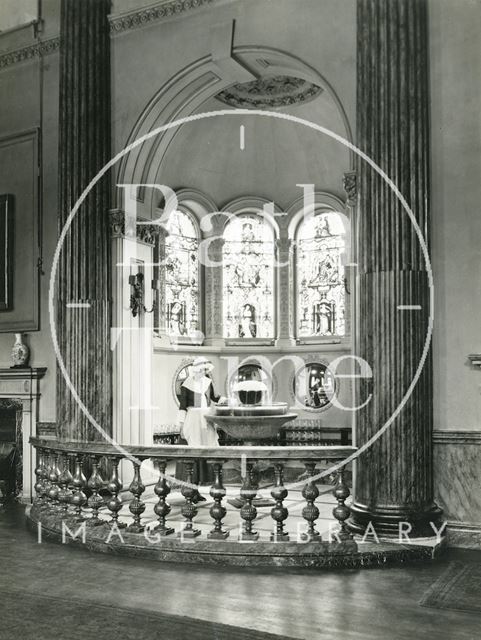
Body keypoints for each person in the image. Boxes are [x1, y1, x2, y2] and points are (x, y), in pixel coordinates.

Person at [176, 356, 225, 494]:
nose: (203, 372)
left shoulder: (208, 383)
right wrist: (181, 425)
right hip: (193, 421)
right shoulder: (187, 384)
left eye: (205, 370)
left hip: (206, 419)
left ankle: (207, 485)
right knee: (194, 451)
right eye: (202, 370)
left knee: (208, 449)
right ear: (196, 370)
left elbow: (216, 397)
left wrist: (228, 400)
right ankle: (192, 489)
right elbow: (183, 406)